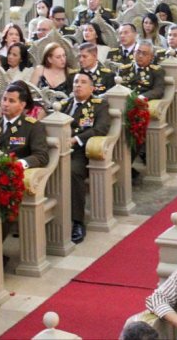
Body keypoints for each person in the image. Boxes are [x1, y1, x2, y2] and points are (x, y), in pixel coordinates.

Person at [61, 72, 111, 244]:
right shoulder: (64, 104)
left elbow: (101, 129)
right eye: (75, 82)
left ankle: (77, 221)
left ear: (92, 88)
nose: (78, 85)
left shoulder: (99, 105)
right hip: (60, 150)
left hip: (83, 152)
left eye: (83, 82)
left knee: (73, 172)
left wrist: (76, 139)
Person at [0, 82, 50, 169]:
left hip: (15, 174)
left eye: (11, 101)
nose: (6, 104)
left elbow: (41, 156)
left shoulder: (33, 127)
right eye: (4, 99)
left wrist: (19, 164)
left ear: (22, 105)